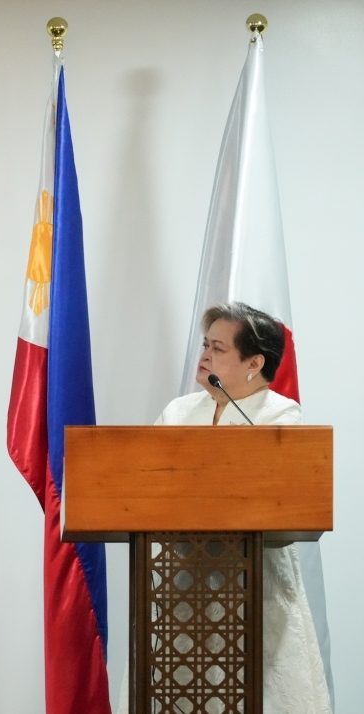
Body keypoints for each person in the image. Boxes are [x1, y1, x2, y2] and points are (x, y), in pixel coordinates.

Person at [117, 301, 330, 714]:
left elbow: (271, 495)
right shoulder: (179, 412)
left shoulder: (279, 414)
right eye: (205, 344)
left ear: (254, 362)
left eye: (218, 347)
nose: (205, 355)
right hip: (182, 582)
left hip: (254, 582)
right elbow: (147, 485)